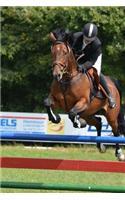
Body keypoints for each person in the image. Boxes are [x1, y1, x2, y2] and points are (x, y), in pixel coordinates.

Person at [69, 23, 116, 109]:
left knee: (96, 72)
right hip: (79, 56)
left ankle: (110, 95)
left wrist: (83, 66)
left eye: (90, 39)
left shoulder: (96, 44)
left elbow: (91, 61)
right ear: (83, 34)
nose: (87, 41)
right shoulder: (75, 37)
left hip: (92, 59)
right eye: (86, 38)